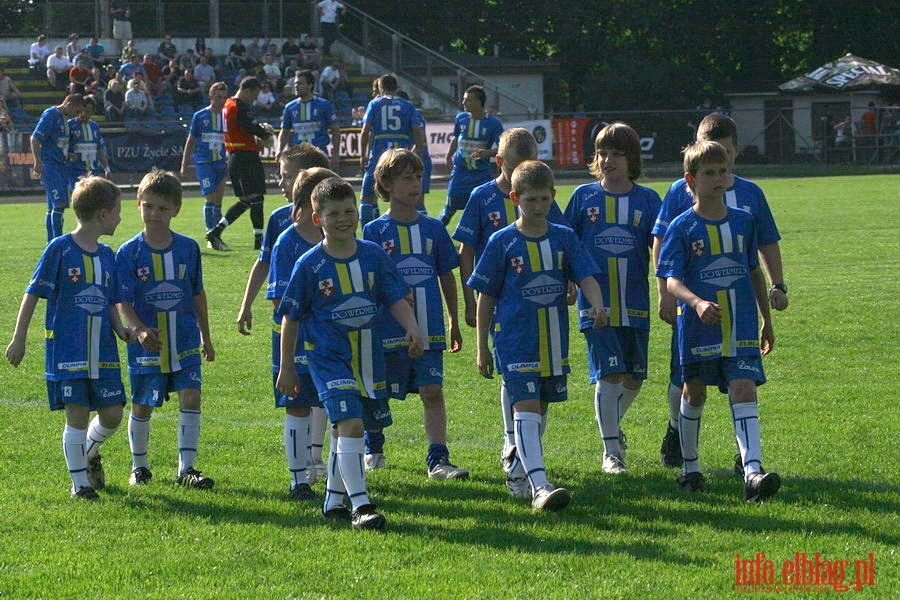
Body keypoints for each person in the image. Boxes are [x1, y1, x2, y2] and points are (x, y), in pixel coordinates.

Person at [276, 176, 423, 530]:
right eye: (333, 213)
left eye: (349, 211)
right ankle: (362, 505)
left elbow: (392, 296)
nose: (343, 219)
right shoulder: (309, 265)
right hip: (327, 358)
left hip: (368, 358)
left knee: (346, 431)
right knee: (351, 424)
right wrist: (287, 367)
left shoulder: (372, 255)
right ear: (317, 219)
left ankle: (334, 500)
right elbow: (290, 317)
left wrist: (412, 326)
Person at [652, 113, 787, 473]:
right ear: (690, 179)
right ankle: (689, 465)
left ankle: (752, 469)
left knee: (743, 386)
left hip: (740, 320)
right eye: (708, 171)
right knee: (692, 389)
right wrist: (681, 299)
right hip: (696, 321)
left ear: (731, 166)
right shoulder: (682, 219)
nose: (717, 177)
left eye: (721, 168)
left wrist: (768, 311)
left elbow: (756, 264)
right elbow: (665, 257)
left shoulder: (745, 216)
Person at [469, 160, 606, 511]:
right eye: (530, 200)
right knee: (527, 407)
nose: (538, 206)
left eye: (544, 200)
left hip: (553, 341)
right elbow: (486, 296)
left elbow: (587, 275)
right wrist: (481, 346)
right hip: (515, 341)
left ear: (553, 197)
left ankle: (517, 469)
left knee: (539, 410)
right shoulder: (503, 242)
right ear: (515, 198)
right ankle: (540, 486)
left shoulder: (564, 237)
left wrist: (598, 305)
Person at [452, 128, 567, 496]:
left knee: (535, 381)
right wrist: (471, 297)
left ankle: (521, 453)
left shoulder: (540, 193)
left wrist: (571, 280)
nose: (525, 171)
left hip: (541, 301)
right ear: (500, 163)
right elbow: (466, 249)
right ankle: (512, 444)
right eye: (518, 165)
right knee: (514, 371)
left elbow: (560, 235)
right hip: (500, 297)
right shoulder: (482, 196)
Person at [6, 176, 132, 500]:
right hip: (69, 348)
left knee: (113, 412)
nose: (120, 217)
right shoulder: (59, 249)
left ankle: (88, 453)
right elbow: (32, 293)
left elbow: (109, 300)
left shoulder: (107, 255)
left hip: (103, 349)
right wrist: (19, 338)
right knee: (76, 413)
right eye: (117, 211)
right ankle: (81, 486)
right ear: (103, 214)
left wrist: (121, 330)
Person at [362, 149, 468, 479]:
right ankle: (373, 446)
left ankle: (438, 460)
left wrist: (453, 318)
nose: (414, 184)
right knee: (378, 391)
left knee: (432, 391)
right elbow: (369, 282)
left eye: (417, 177)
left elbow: (446, 275)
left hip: (430, 325)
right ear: (386, 184)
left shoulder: (434, 229)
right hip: (387, 327)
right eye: (406, 178)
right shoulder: (374, 232)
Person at [563, 122, 661, 474]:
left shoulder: (648, 200)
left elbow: (660, 245)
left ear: (632, 158)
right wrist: (568, 281)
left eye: (617, 154)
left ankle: (612, 425)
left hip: (635, 299)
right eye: (602, 153)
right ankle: (611, 452)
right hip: (596, 304)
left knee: (635, 376)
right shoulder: (583, 197)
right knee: (611, 372)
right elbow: (566, 243)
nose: (608, 160)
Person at [236, 144, 332, 478]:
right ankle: (302, 466)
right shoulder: (281, 223)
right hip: (292, 324)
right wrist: (246, 304)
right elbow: (264, 264)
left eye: (287, 176)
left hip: (325, 328)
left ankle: (316, 456)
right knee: (300, 396)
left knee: (323, 394)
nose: (280, 183)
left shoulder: (333, 221)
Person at [115, 170, 215, 488]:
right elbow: (122, 301)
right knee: (142, 403)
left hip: (184, 338)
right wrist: (140, 329)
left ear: (176, 209)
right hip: (149, 343)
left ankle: (186, 469)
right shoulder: (129, 253)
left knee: (191, 396)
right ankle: (139, 467)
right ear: (138, 205)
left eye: (162, 207)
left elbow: (197, 294)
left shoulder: (188, 249)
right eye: (148, 206)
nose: (155, 214)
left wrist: (207, 336)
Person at [267, 166, 335, 499]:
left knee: (335, 404)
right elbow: (282, 300)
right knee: (296, 405)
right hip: (293, 342)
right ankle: (299, 480)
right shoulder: (287, 242)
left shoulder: (340, 242)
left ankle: (337, 477)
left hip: (332, 342)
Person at [206, 77, 274, 250]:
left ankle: (216, 231)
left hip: (237, 155)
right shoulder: (239, 107)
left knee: (246, 200)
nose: (254, 99)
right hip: (245, 156)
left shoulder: (228, 104)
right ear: (247, 90)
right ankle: (259, 242)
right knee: (257, 198)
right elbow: (249, 126)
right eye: (255, 94)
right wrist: (264, 133)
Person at [358, 74, 423, 228]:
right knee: (402, 197)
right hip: (401, 159)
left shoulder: (374, 104)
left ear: (381, 88)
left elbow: (365, 131)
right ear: (396, 88)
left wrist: (362, 155)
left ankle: (369, 236)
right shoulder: (408, 105)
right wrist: (416, 154)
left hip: (379, 157)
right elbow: (417, 132)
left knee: (367, 198)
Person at [438, 85, 503, 226]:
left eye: (468, 100)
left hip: (481, 174)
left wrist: (487, 152)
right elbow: (456, 138)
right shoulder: (461, 118)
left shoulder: (493, 123)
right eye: (464, 100)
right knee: (449, 210)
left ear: (479, 102)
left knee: (488, 210)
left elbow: (502, 148)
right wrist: (449, 155)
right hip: (460, 173)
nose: (463, 103)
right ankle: (434, 237)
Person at [32, 94, 85, 242]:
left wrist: (68, 155)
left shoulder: (65, 121)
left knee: (52, 208)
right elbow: (35, 138)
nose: (77, 114)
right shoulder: (51, 114)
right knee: (60, 205)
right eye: (77, 110)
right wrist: (37, 162)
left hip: (60, 166)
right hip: (51, 166)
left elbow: (57, 143)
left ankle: (51, 243)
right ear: (69, 104)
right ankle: (57, 242)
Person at [181, 82, 228, 246]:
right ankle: (210, 235)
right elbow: (191, 140)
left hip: (221, 163)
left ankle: (217, 236)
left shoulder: (226, 116)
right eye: (218, 97)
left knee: (218, 202)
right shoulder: (200, 116)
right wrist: (184, 164)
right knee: (210, 198)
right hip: (204, 162)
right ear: (211, 96)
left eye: (224, 97)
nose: (221, 100)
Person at [278, 70, 341, 169]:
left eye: (300, 83)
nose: (296, 86)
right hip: (297, 157)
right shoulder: (289, 107)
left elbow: (335, 130)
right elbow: (284, 131)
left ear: (310, 85)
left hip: (319, 155)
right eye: (295, 83)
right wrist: (279, 150)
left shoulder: (324, 104)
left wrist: (336, 155)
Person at [66, 97, 109, 188]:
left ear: (93, 112)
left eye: (88, 111)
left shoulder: (94, 126)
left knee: (94, 199)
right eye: (82, 110)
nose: (84, 114)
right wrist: (69, 155)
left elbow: (100, 149)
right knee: (78, 198)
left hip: (93, 171)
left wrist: (107, 169)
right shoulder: (69, 125)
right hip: (75, 171)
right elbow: (62, 148)